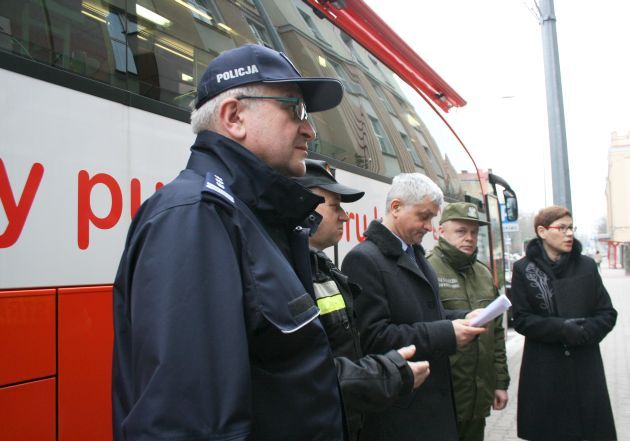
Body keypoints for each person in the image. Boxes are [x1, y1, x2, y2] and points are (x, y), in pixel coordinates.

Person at [112, 44, 347, 441]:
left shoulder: (252, 216)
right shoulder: (197, 215)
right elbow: (189, 425)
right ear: (234, 116)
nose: (309, 129)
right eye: (296, 110)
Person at [341, 173, 486, 441]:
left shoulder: (415, 254)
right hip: (401, 414)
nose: (429, 226)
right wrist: (447, 332)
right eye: (424, 216)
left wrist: (464, 318)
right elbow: (374, 337)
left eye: (432, 218)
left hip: (426, 406)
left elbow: (428, 315)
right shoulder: (363, 260)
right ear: (396, 208)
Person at [294, 159, 431, 441]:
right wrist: (386, 375)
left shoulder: (323, 268)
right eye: (335, 206)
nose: (345, 216)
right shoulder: (287, 273)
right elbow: (304, 374)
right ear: (302, 208)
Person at [511, 205, 617, 441]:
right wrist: (561, 329)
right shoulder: (524, 269)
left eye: (571, 228)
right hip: (545, 372)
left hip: (585, 369)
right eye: (562, 228)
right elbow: (521, 319)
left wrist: (586, 330)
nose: (569, 233)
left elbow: (607, 313)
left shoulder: (587, 266)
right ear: (542, 231)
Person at [427, 202, 510, 441]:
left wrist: (500, 382)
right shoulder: (427, 268)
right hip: (443, 397)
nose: (469, 238)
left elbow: (496, 334)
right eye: (461, 231)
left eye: (474, 232)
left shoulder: (483, 273)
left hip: (477, 397)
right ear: (441, 231)